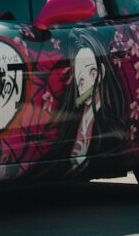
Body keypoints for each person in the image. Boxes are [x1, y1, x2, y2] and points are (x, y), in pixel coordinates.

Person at [54, 28, 128, 172]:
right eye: (80, 79)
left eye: (92, 72)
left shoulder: (110, 127)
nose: (83, 85)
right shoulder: (71, 122)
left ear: (101, 73)